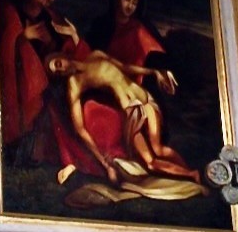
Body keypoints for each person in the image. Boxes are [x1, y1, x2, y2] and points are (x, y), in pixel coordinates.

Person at [47, 51, 199, 185]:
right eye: (58, 72)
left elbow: (125, 67)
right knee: (150, 163)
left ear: (62, 57)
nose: (62, 69)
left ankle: (188, 172)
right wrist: (105, 164)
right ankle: (191, 175)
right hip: (132, 113)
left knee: (159, 150)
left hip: (145, 99)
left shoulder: (95, 56)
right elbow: (80, 129)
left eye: (59, 64)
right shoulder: (75, 84)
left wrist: (153, 72)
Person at [0, 0, 90, 163]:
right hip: (17, 77)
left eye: (49, 0)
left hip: (40, 78)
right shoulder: (11, 10)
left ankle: (31, 154)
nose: (44, 3)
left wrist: (71, 37)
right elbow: (4, 43)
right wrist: (23, 37)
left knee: (46, 111)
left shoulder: (49, 18)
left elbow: (62, 49)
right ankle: (15, 153)